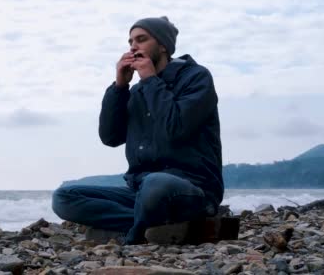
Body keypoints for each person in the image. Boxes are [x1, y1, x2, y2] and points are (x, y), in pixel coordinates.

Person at [52, 16, 224, 245]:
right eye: (131, 41)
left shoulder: (196, 77)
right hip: (140, 190)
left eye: (141, 39)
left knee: (156, 184)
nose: (133, 47)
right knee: (64, 197)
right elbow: (110, 137)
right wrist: (120, 87)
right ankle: (154, 226)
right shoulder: (138, 92)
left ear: (163, 45)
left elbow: (176, 128)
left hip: (191, 190)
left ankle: (134, 238)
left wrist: (150, 79)